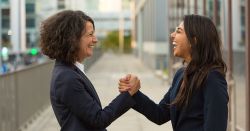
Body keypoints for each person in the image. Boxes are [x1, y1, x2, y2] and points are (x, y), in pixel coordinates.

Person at [119, 14, 229, 131]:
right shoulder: (180, 74)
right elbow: (160, 114)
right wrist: (134, 93)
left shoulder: (212, 78)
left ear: (194, 40)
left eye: (179, 31)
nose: (172, 35)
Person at [40, 10, 140, 131]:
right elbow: (98, 119)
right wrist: (128, 94)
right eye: (90, 34)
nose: (95, 40)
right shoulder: (66, 78)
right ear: (72, 39)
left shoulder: (69, 71)